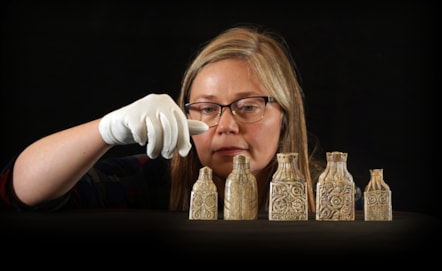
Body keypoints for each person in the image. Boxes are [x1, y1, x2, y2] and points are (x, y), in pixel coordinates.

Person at [0, 25, 325, 213]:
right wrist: (106, 129)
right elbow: (23, 190)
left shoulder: (332, 193)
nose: (226, 126)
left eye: (249, 106)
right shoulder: (152, 179)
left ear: (284, 115)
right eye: (208, 109)